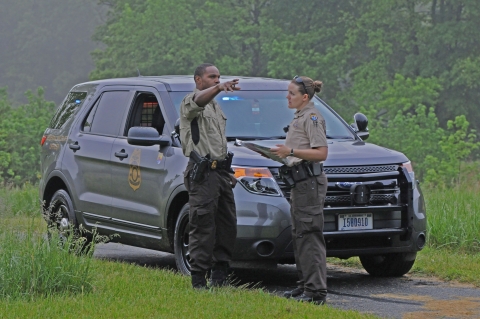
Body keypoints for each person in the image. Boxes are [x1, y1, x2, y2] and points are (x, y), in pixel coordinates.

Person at [179, 63, 240, 289]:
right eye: (211, 77)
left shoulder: (215, 107)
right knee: (203, 225)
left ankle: (220, 277)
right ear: (198, 80)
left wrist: (227, 171)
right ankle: (198, 280)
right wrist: (220, 87)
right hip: (202, 175)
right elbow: (197, 103)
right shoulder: (190, 102)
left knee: (227, 225)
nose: (216, 80)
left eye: (218, 77)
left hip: (220, 173)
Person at [270, 75, 328, 305]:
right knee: (300, 235)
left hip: (309, 184)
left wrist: (290, 151)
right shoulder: (300, 116)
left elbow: (321, 153)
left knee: (310, 235)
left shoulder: (312, 117)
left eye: (292, 93)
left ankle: (316, 292)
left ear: (305, 97)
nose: (288, 96)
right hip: (299, 183)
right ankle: (305, 285)